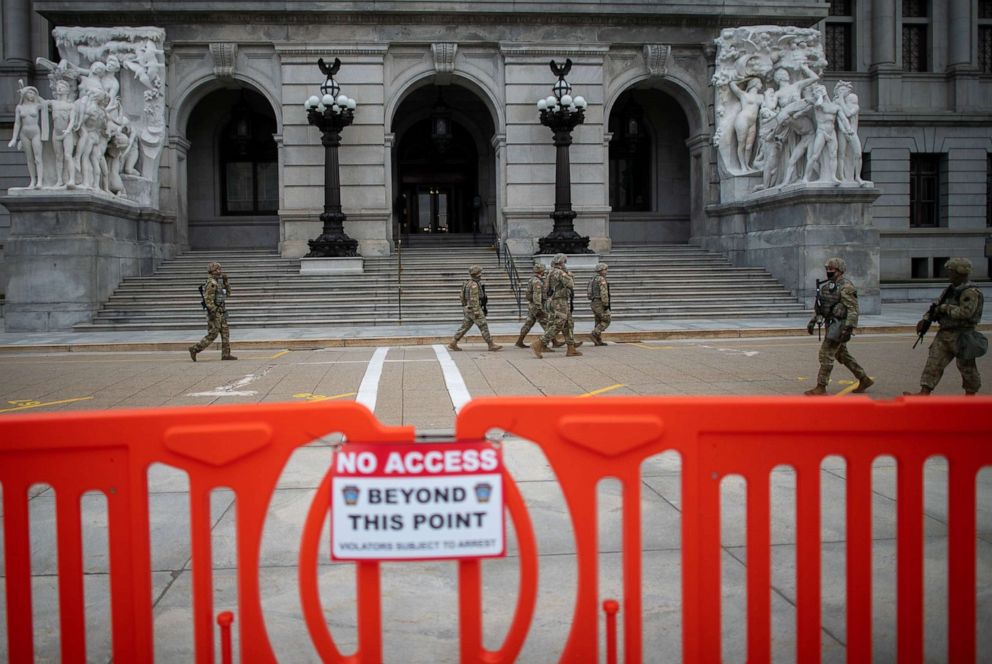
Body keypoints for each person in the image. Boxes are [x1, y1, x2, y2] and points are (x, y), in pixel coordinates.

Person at [905, 258, 985, 396]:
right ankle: (924, 392)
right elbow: (936, 306)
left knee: (967, 368)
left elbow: (966, 313)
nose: (948, 274)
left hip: (963, 336)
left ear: (960, 273)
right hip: (945, 335)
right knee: (933, 363)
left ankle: (971, 395)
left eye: (951, 271)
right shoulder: (949, 290)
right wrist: (926, 319)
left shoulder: (970, 292)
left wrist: (944, 308)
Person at [804, 257, 872, 395]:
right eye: (827, 269)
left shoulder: (846, 287)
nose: (828, 272)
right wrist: (813, 321)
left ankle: (821, 386)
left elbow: (853, 309)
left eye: (832, 269)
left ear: (840, 271)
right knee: (842, 355)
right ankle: (863, 378)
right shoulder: (826, 287)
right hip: (831, 324)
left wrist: (849, 328)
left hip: (840, 325)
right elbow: (822, 308)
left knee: (826, 353)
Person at [532, 254, 582, 358]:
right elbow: (571, 284)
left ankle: (571, 348)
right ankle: (540, 343)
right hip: (560, 302)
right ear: (560, 262)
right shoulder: (559, 272)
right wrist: (569, 274)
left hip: (557, 300)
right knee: (559, 324)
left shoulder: (551, 272)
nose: (565, 264)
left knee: (569, 324)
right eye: (564, 262)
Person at [189, 262, 237, 361]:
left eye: (220, 269)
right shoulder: (211, 283)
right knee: (213, 334)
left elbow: (228, 294)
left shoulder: (218, 283)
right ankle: (194, 349)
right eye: (217, 270)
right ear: (211, 271)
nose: (219, 272)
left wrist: (226, 282)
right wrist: (214, 312)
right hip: (215, 313)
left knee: (225, 333)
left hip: (221, 312)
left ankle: (226, 354)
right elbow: (208, 300)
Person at [449, 265, 502, 352]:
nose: (481, 275)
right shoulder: (474, 285)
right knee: (483, 325)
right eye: (480, 273)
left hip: (468, 308)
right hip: (474, 309)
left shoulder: (467, 283)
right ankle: (491, 344)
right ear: (477, 274)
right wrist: (477, 311)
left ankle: (453, 342)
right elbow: (474, 300)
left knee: (465, 327)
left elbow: (461, 296)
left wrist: (465, 306)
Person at [9, 81, 49, 189]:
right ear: (25, 94)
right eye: (29, 93)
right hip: (24, 133)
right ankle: (33, 180)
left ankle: (40, 181)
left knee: (38, 157)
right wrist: (14, 138)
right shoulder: (19, 107)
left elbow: (45, 104)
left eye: (33, 93)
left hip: (35, 132)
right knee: (29, 158)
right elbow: (17, 123)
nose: (31, 95)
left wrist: (36, 95)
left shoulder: (37, 105)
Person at [515, 261, 552, 349]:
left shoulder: (533, 279)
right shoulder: (537, 281)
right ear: (541, 271)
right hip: (537, 306)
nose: (544, 272)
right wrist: (539, 307)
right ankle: (544, 345)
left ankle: (519, 341)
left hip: (532, 306)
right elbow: (537, 295)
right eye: (543, 270)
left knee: (528, 323)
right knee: (547, 324)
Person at [588, 262, 611, 346]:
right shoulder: (601, 279)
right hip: (600, 302)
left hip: (594, 302)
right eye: (605, 269)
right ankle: (594, 334)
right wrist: (605, 304)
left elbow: (589, 292)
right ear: (600, 270)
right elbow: (604, 293)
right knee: (607, 319)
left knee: (598, 321)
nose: (606, 271)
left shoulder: (593, 279)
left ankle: (598, 340)